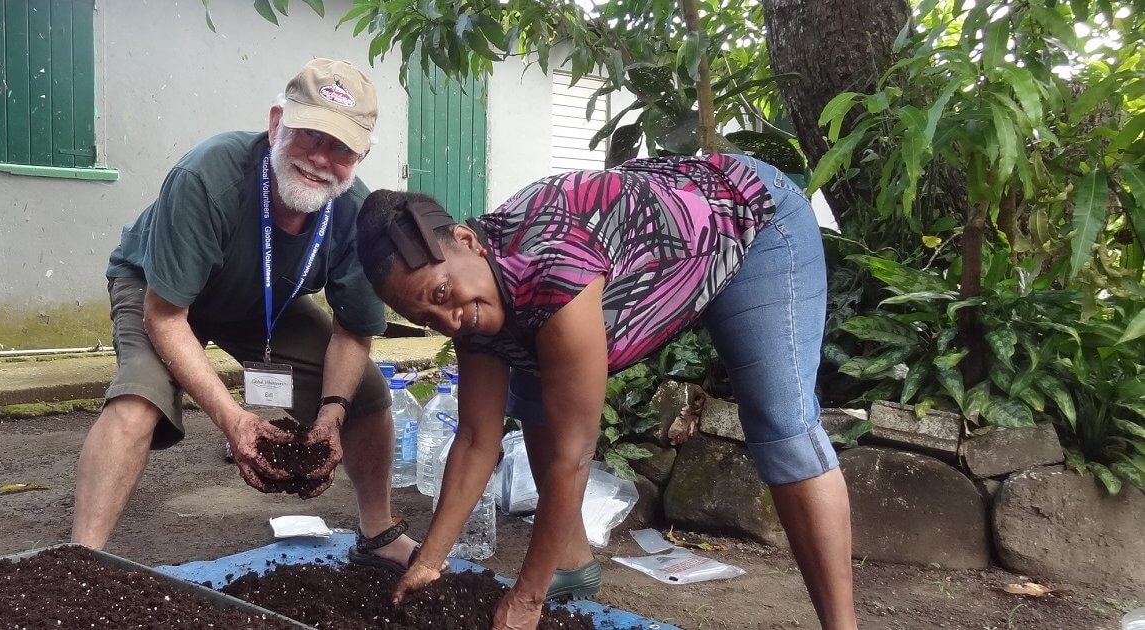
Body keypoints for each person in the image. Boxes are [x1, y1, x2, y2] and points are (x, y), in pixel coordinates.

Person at [356, 155, 857, 629]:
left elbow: (573, 457)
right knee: (536, 404)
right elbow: (474, 441)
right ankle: (569, 562)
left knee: (781, 427)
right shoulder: (472, 299)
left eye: (443, 296)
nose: (450, 321)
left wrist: (527, 601)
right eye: (426, 319)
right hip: (644, 238)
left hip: (749, 219)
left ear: (467, 240)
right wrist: (429, 561)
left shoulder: (555, 271)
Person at [75, 58, 421, 571]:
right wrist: (235, 421)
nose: (322, 159)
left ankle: (378, 533)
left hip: (260, 303)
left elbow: (352, 333)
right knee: (139, 399)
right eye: (311, 135)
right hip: (160, 291)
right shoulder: (207, 177)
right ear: (277, 122)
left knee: (365, 395)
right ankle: (79, 558)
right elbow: (167, 318)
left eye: (342, 149)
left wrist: (331, 415)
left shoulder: (356, 216)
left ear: (361, 155)